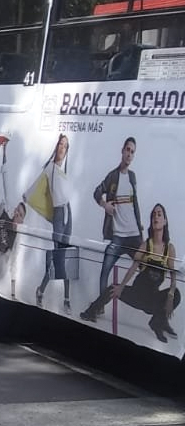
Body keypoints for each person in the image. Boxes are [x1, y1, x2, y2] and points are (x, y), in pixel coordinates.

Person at [81, 204, 179, 342]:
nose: (156, 217)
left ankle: (157, 323)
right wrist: (121, 287)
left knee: (177, 294)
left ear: (165, 221)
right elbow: (134, 267)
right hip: (137, 294)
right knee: (112, 288)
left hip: (152, 298)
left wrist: (170, 295)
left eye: (159, 214)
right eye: (153, 215)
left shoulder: (169, 249)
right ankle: (90, 312)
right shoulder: (146, 245)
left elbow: (173, 274)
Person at [82, 137, 142, 321]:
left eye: (132, 152)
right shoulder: (112, 176)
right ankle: (98, 309)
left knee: (145, 267)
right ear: (122, 151)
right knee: (105, 270)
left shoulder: (132, 177)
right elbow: (97, 192)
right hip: (118, 236)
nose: (129, 154)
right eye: (127, 150)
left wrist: (140, 228)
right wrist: (104, 205)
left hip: (134, 235)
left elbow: (135, 204)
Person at [27, 133, 73, 313]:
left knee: (69, 256)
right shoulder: (50, 169)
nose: (62, 148)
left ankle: (66, 298)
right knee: (58, 257)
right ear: (56, 147)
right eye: (60, 144)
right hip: (59, 213)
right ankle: (42, 290)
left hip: (69, 212)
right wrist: (27, 195)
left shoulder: (64, 172)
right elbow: (36, 187)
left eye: (65, 146)